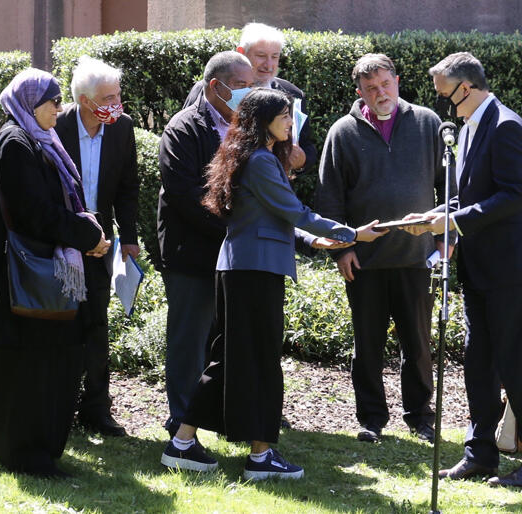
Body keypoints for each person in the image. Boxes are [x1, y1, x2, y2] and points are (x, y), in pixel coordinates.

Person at [160, 88, 386, 479]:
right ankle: (259, 458)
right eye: (284, 115)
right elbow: (294, 211)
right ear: (263, 120)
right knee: (261, 363)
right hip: (253, 273)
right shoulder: (262, 161)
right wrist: (352, 233)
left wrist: (316, 239)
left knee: (229, 361)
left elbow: (271, 218)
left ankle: (183, 443)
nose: (290, 122)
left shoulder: (254, 158)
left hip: (243, 269)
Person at [401, 52, 522, 488]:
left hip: (511, 269)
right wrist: (432, 215)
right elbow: (470, 194)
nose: (443, 106)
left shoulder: (507, 126)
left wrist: (453, 221)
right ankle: (480, 454)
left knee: (511, 363)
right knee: (478, 362)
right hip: (480, 268)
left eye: (445, 95)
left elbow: (511, 195)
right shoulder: (469, 128)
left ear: (465, 88)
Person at [0, 68, 111, 477]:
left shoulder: (39, 138)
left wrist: (85, 229)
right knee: (29, 369)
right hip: (23, 280)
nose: (60, 107)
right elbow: (31, 212)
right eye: (52, 101)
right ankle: (23, 454)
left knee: (48, 365)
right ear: (30, 104)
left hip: (42, 276)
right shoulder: (16, 142)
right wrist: (85, 233)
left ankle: (30, 448)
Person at [314, 54, 455, 444]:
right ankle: (371, 420)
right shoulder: (342, 132)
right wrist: (342, 250)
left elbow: (451, 190)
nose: (381, 94)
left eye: (386, 84)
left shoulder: (427, 123)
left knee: (419, 344)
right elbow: (330, 198)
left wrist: (446, 240)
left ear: (397, 80)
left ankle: (421, 418)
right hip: (365, 261)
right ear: (360, 92)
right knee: (368, 347)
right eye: (371, 88)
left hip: (417, 257)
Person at [157, 51, 254, 439]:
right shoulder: (183, 127)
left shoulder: (246, 128)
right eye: (242, 87)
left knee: (224, 341)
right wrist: (234, 228)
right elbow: (186, 194)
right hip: (192, 254)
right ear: (216, 86)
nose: (249, 95)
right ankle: (181, 424)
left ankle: (218, 417)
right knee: (189, 342)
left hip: (233, 252)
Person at [55, 55, 140, 438]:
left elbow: (127, 188)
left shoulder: (121, 128)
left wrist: (131, 240)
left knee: (97, 325)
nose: (116, 103)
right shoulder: (55, 126)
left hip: (101, 244)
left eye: (117, 94)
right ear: (85, 101)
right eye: (108, 97)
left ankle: (96, 410)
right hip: (59, 244)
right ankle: (57, 407)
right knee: (59, 325)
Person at [182, 22, 315, 172]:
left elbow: (306, 145)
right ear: (241, 52)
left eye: (275, 56)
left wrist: (302, 160)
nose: (269, 65)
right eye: (261, 56)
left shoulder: (292, 94)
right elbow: (189, 136)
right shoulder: (211, 90)